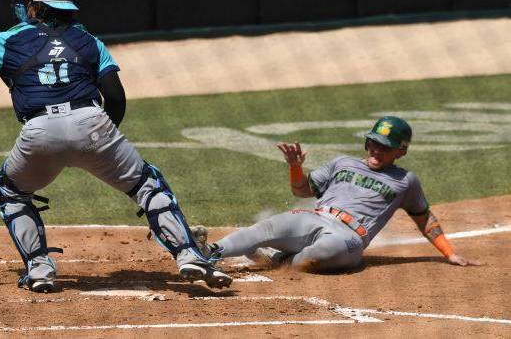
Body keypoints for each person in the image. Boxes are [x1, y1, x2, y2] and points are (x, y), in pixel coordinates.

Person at [0, 0, 230, 292]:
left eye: (29, 4)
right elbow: (115, 97)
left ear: (37, 8)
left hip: (39, 132)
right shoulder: (89, 41)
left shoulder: (8, 40)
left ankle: (39, 268)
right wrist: (103, 141)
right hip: (93, 124)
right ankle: (188, 254)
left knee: (11, 191)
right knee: (146, 184)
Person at [197, 116, 481, 272]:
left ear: (401, 150)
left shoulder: (406, 181)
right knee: (267, 226)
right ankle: (208, 253)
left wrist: (450, 253)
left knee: (319, 254)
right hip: (315, 217)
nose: (375, 150)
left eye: (384, 146)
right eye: (373, 143)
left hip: (348, 237)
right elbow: (301, 191)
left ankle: (279, 260)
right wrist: (296, 168)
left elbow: (424, 219)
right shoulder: (342, 162)